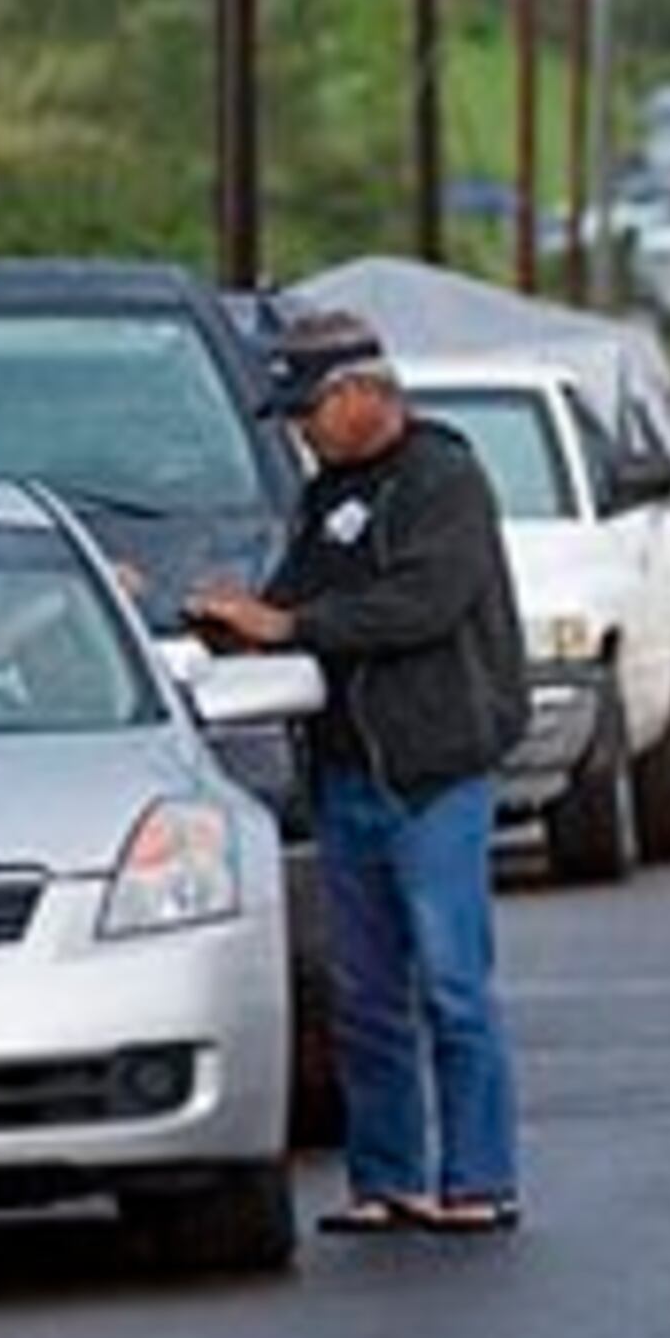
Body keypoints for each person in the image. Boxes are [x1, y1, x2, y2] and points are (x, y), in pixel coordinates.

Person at [186, 314, 531, 1236]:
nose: (300, 427)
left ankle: (479, 1179)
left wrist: (290, 628)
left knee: (453, 983)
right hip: (346, 772)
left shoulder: (443, 478)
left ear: (360, 393)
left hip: (435, 770)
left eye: (308, 406)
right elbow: (294, 598)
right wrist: (229, 619)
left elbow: (422, 603)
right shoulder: (326, 494)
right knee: (366, 993)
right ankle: (388, 1179)